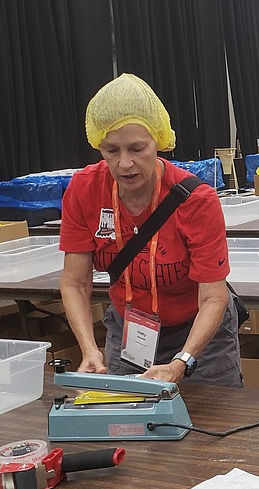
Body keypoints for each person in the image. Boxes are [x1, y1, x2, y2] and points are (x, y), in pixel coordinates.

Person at [59, 73, 241, 386]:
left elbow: (213, 297)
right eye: (111, 151)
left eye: (137, 149)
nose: (124, 164)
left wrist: (182, 361)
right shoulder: (84, 189)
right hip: (130, 331)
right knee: (127, 423)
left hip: (199, 334)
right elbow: (75, 284)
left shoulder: (195, 199)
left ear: (159, 142)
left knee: (214, 421)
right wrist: (89, 349)